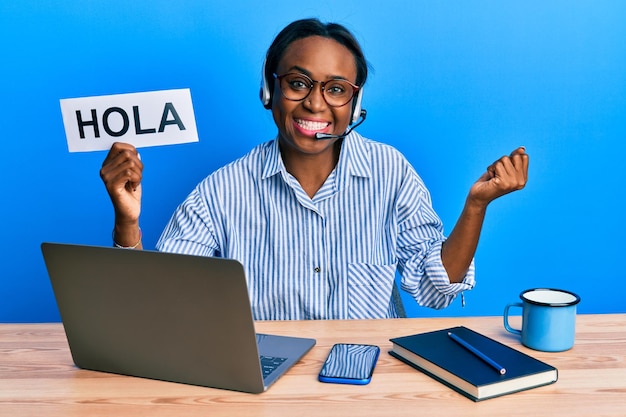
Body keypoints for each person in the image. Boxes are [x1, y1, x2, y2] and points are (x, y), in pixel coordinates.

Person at [100, 18, 529, 320]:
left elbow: (435, 292)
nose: (316, 103)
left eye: (337, 89)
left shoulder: (391, 173)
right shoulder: (220, 191)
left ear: (355, 104)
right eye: (298, 83)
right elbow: (159, 307)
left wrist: (475, 208)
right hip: (264, 382)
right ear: (271, 89)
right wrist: (127, 223)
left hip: (371, 376)